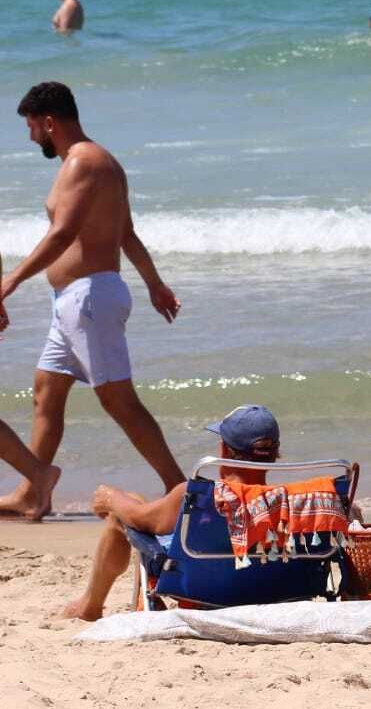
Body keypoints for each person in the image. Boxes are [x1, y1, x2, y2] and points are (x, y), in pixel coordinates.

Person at [0, 82, 185, 519]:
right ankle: (32, 491)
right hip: (75, 299)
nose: (31, 138)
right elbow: (126, 234)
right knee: (47, 391)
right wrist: (154, 284)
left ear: (49, 122)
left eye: (32, 127)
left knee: (118, 399)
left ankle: (180, 489)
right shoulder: (98, 162)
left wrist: (9, 282)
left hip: (88, 298)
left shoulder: (84, 161)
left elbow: (62, 233)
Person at [58, 405, 282, 620]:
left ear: (224, 449)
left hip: (205, 591)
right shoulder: (292, 501)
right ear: (276, 454)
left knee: (123, 513)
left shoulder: (198, 496)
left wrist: (110, 498)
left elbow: (139, 518)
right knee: (134, 503)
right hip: (271, 589)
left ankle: (90, 606)